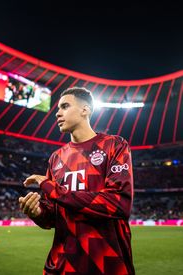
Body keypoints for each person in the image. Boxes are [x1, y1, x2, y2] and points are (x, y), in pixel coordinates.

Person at [19, 87, 135, 275]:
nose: (57, 113)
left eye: (65, 106)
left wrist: (50, 186)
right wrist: (38, 212)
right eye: (57, 109)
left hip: (107, 264)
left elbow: (118, 204)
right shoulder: (56, 158)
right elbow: (52, 218)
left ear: (85, 110)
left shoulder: (114, 145)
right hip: (61, 265)